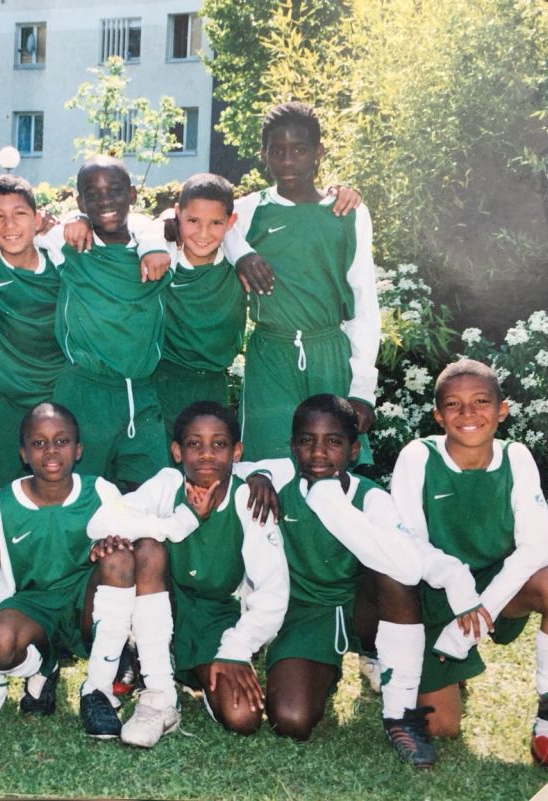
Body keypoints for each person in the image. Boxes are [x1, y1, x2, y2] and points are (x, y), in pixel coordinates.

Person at [390, 359, 548, 772]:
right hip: (437, 591)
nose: (468, 414)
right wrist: (460, 592)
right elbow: (408, 546)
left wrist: (481, 613)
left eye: (480, 402)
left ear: (502, 410)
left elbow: (538, 548)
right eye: (454, 405)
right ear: (438, 415)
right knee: (443, 727)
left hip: (497, 588)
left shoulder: (516, 457)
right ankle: (408, 664)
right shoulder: (418, 458)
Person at [0, 403, 199, 738]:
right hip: (34, 605)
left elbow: (135, 527)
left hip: (86, 601)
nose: (51, 450)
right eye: (39, 443)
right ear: (23, 453)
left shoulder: (99, 491)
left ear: (78, 449)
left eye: (62, 441)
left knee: (120, 557)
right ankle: (43, 666)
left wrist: (114, 541)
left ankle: (97, 690)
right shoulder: (5, 503)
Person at [257, 395, 441, 767]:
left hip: (364, 606)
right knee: (291, 721)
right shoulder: (280, 484)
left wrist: (335, 506)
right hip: (307, 613)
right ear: (293, 446)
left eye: (334, 442)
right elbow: (239, 464)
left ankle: (400, 714)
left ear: (354, 450)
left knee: (394, 572)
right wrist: (257, 476)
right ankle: (323, 670)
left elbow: (407, 565)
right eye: (307, 441)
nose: (319, 453)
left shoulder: (371, 497)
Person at [118, 401, 289, 748]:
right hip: (166, 602)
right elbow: (111, 518)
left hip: (215, 616)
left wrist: (235, 649)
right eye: (195, 444)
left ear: (237, 451)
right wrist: (180, 520)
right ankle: (159, 694)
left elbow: (273, 592)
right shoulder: (167, 484)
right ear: (178, 452)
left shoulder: (249, 500)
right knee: (147, 547)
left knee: (243, 717)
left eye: (219, 444)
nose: (207, 454)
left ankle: (184, 667)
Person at [225, 101, 379, 463]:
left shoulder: (348, 213)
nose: (288, 161)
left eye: (300, 150)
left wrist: (361, 390)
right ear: (264, 155)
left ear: (318, 153)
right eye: (277, 151)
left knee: (333, 470)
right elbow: (200, 222)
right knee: (266, 470)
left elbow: (364, 304)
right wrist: (241, 254)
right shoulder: (248, 211)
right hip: (270, 355)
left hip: (329, 353)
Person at [49, 156, 173, 488]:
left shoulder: (155, 248)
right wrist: (72, 218)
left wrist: (154, 239)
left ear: (133, 194)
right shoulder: (70, 246)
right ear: (80, 201)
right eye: (93, 193)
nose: (105, 200)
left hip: (142, 393)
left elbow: (178, 216)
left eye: (115, 190)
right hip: (85, 392)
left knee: (152, 495)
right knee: (81, 495)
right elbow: (26, 227)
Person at [0, 176, 65, 488]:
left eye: (20, 214)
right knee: (0, 491)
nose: (10, 225)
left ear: (38, 219)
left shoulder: (63, 264)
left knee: (60, 487)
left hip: (59, 394)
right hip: (4, 399)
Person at [151, 174, 246, 436]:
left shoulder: (238, 265)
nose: (203, 234)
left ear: (231, 223)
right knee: (163, 470)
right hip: (164, 383)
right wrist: (161, 220)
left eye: (216, 223)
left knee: (207, 471)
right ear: (177, 215)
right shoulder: (162, 259)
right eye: (193, 221)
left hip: (215, 385)